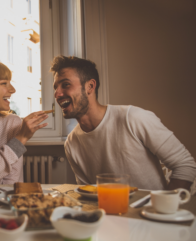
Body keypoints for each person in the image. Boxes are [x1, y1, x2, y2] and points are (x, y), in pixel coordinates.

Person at [51, 55, 196, 190]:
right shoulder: (71, 144)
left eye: (65, 85)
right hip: (109, 215)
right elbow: (89, 193)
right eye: (55, 88)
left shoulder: (133, 118)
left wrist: (164, 208)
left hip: (152, 215)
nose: (57, 94)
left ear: (90, 86)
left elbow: (185, 165)